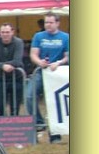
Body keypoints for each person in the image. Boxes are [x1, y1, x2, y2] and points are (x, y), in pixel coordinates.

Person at [27, 13, 69, 143]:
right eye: (46, 22)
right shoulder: (38, 36)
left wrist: (59, 62)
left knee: (54, 102)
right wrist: (39, 62)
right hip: (41, 71)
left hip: (57, 73)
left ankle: (55, 134)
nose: (48, 25)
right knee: (29, 96)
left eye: (51, 22)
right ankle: (40, 123)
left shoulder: (65, 37)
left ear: (57, 23)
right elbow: (33, 54)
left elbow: (67, 56)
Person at [0, 23, 25, 116]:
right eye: (3, 32)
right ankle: (1, 124)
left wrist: (1, 65)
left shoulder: (18, 42)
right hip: (0, 78)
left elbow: (18, 61)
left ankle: (14, 124)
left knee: (15, 107)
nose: (5, 34)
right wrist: (2, 66)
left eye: (7, 32)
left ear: (12, 32)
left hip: (16, 78)